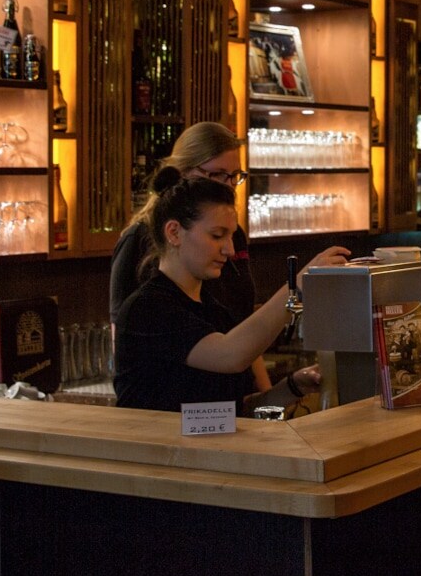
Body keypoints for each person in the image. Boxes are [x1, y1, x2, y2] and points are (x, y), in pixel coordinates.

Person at [112, 167, 349, 413]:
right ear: (174, 233)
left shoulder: (215, 310)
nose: (229, 250)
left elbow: (236, 412)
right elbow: (230, 355)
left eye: (231, 237)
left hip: (211, 451)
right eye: (217, 235)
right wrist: (298, 285)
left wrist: (292, 386)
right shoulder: (148, 308)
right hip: (156, 451)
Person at [111, 122, 255, 320]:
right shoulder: (138, 237)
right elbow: (121, 330)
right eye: (218, 174)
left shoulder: (234, 234)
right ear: (182, 171)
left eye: (234, 176)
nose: (229, 186)